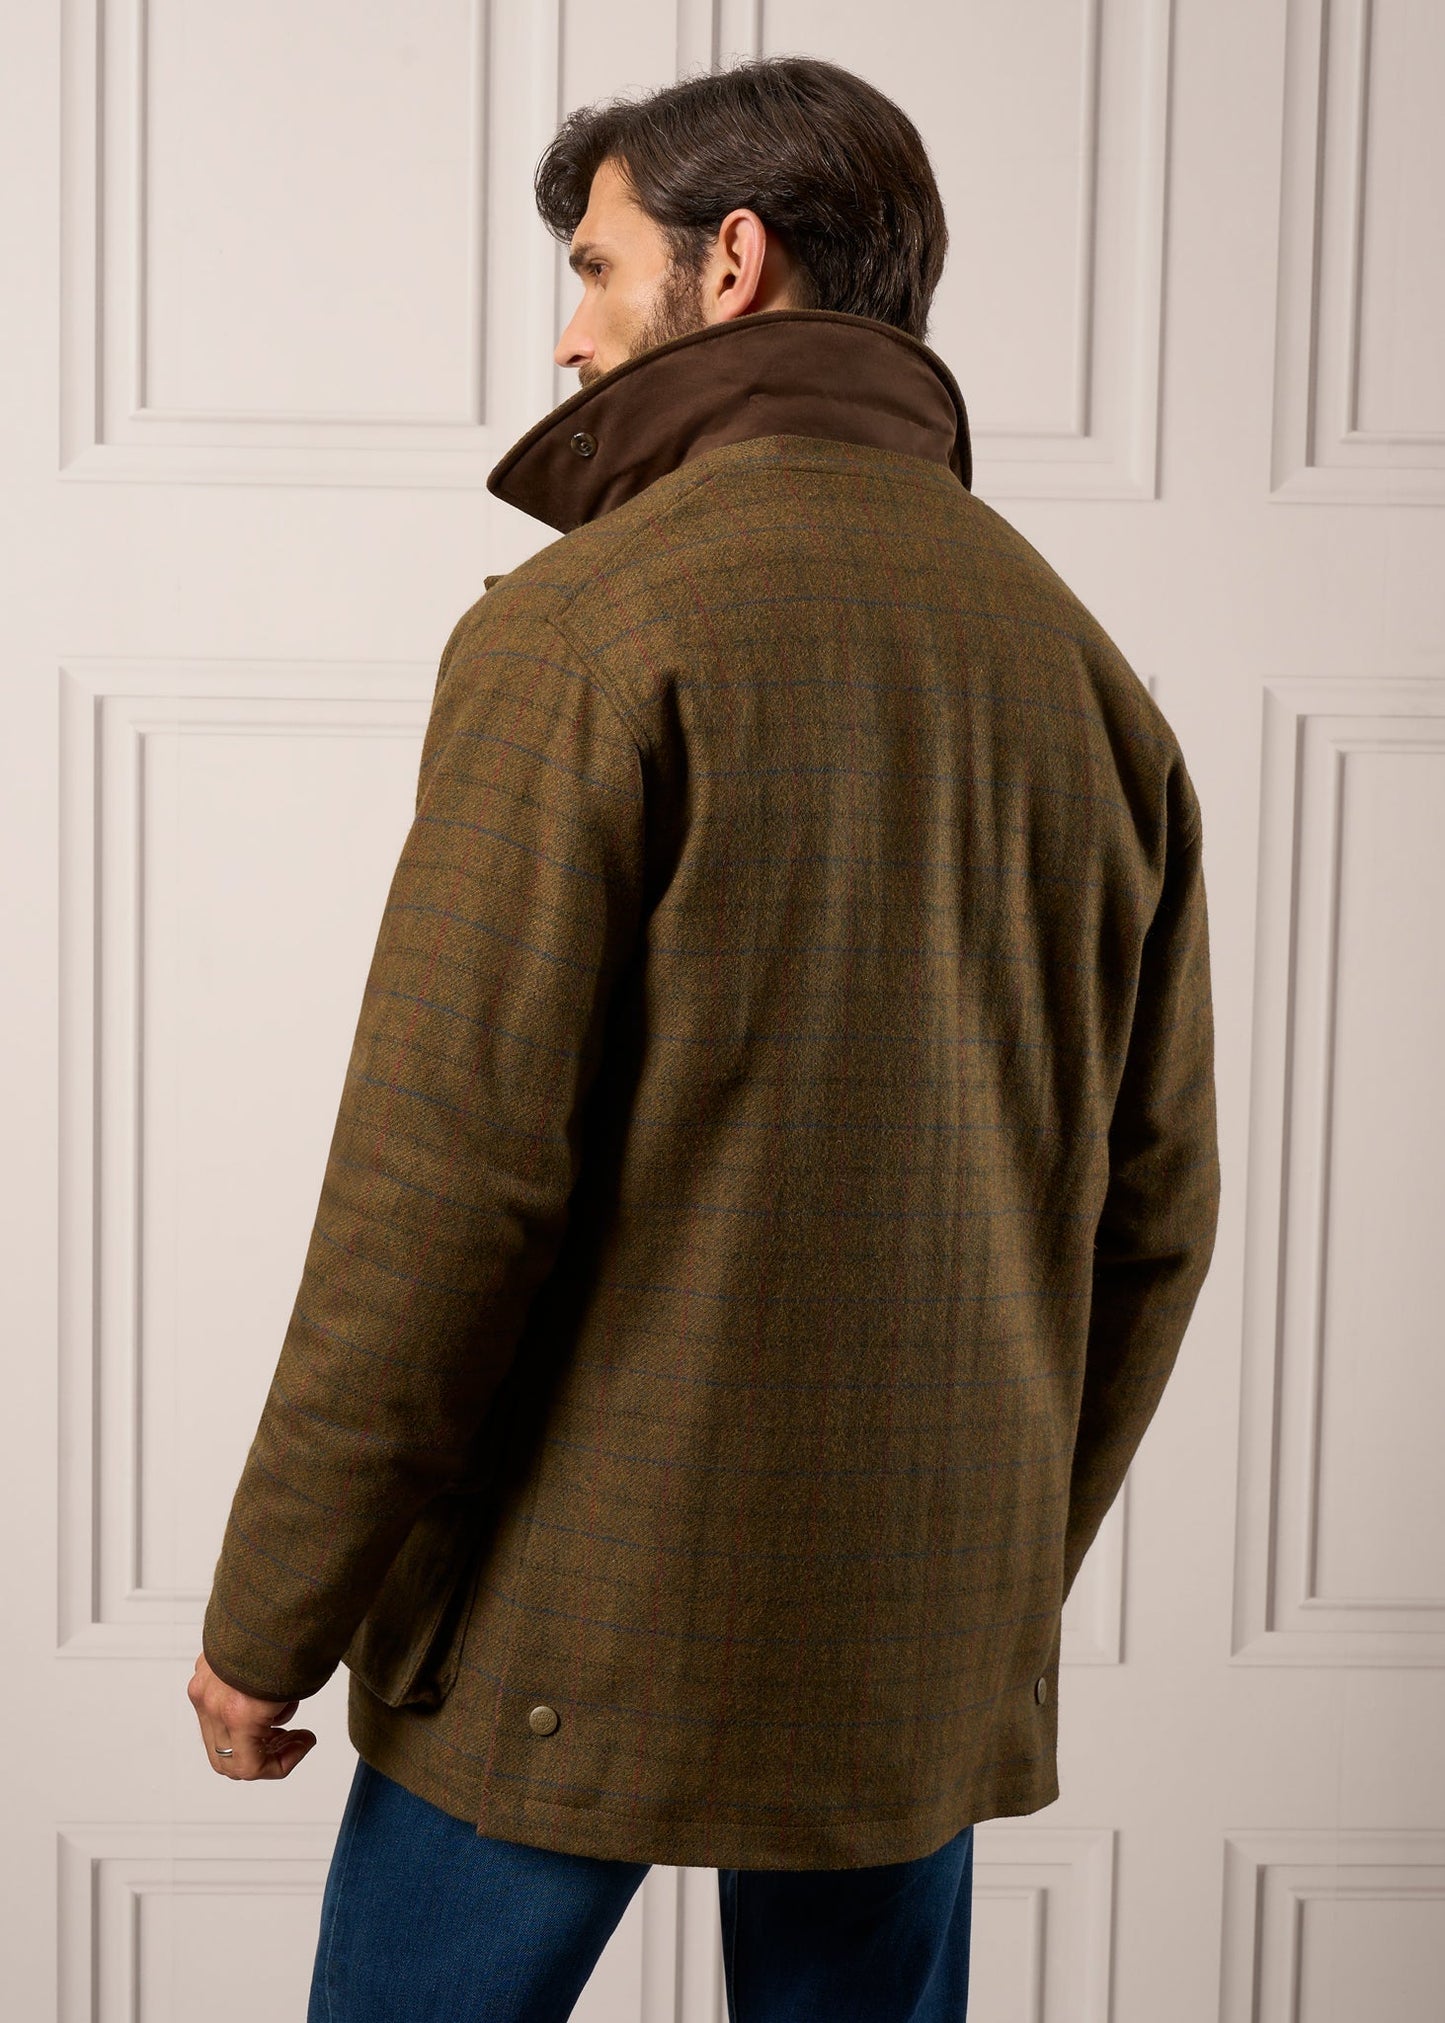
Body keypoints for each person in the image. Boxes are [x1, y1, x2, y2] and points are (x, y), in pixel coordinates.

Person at [188, 54, 1219, 2023]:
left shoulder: (587, 629)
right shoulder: (1085, 679)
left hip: (556, 1625)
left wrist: (271, 1616)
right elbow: (1152, 1219)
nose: (569, 337)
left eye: (596, 268)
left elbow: (441, 1191)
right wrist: (983, 1577)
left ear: (732, 261)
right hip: (910, 1639)